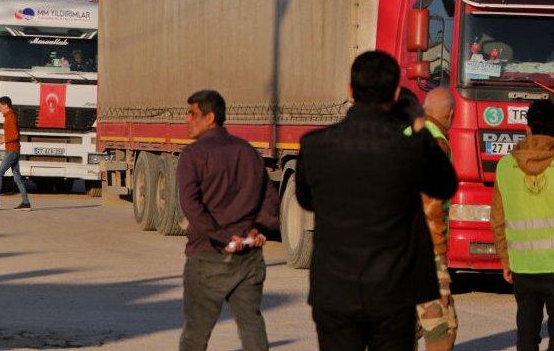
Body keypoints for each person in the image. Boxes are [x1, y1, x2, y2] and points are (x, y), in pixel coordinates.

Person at [294, 51, 457, 350]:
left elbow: (306, 200)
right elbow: (446, 184)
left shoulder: (314, 146)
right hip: (392, 292)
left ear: (350, 91)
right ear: (396, 93)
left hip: (335, 292)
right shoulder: (410, 149)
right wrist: (419, 126)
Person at [176, 89, 279, 351]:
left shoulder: (193, 155)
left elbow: (191, 205)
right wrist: (258, 229)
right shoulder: (248, 152)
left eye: (192, 114)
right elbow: (269, 195)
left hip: (208, 256)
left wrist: (221, 237)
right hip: (248, 256)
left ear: (210, 117)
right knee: (252, 326)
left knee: (196, 334)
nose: (187, 119)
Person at [490, 99, 554, 351]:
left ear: (528, 129)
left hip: (522, 266)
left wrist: (506, 260)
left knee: (526, 334)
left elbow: (497, 221)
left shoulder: (505, 167)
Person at [414, 88, 458, 351]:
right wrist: (439, 254)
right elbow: (431, 203)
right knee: (442, 324)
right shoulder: (437, 143)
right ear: (450, 114)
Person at [0, 96, 31, 211]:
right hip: (13, 149)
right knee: (17, 177)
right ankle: (26, 202)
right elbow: (13, 134)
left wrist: (4, 140)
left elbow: (15, 135)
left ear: (5, 105)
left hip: (12, 151)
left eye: (0, 106)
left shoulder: (11, 117)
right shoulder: (10, 116)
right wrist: (3, 138)